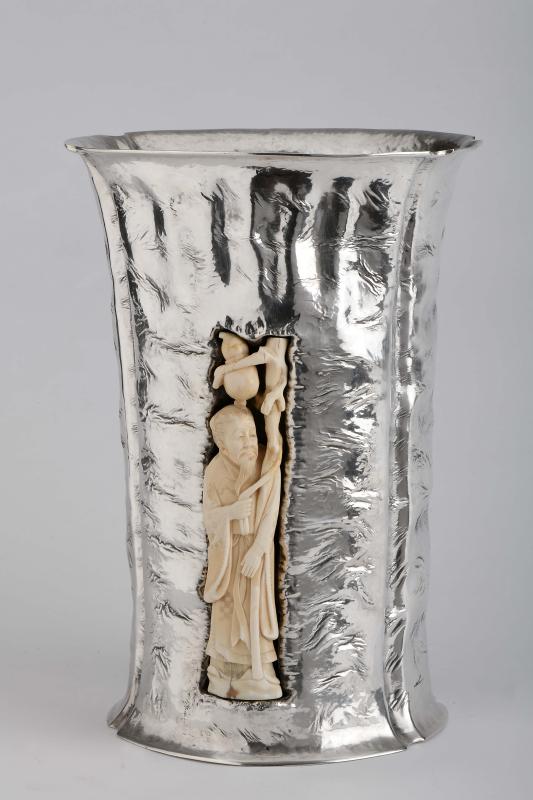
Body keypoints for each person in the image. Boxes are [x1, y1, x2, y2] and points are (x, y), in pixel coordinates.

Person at [203, 404, 282, 700]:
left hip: (255, 555)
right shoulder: (215, 471)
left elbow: (271, 510)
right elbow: (209, 517)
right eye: (241, 437)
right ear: (223, 446)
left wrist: (259, 548)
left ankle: (260, 671)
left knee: (254, 609)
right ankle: (223, 671)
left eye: (252, 434)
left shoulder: (264, 463)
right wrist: (230, 514)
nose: (249, 442)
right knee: (227, 611)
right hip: (229, 555)